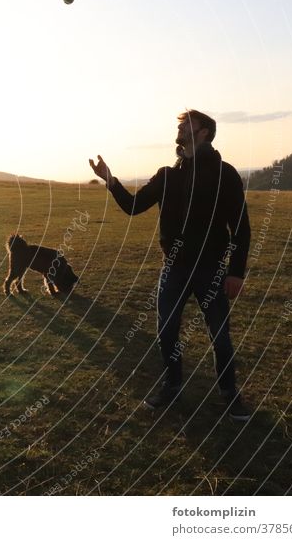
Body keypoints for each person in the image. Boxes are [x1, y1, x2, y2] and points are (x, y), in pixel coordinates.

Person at [89, 110, 252, 421]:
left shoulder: (224, 174)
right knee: (166, 331)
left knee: (220, 334)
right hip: (173, 269)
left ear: (204, 132)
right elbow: (134, 206)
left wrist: (235, 272)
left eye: (187, 123)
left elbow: (241, 228)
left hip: (211, 270)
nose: (180, 127)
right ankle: (172, 385)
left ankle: (230, 395)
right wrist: (109, 180)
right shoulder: (168, 175)